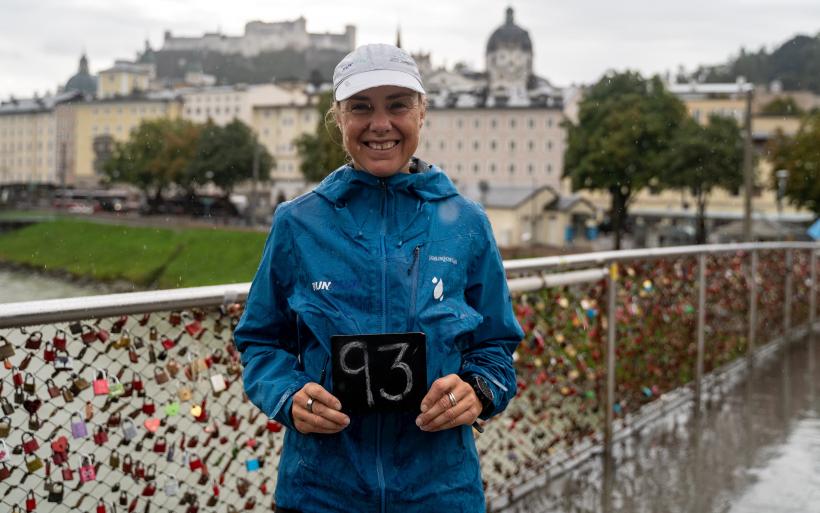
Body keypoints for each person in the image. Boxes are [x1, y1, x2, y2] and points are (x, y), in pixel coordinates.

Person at [234, 43, 524, 513]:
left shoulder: (466, 223)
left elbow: (496, 346)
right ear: (339, 118)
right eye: (361, 108)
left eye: (398, 105)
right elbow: (261, 342)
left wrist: (479, 391)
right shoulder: (298, 223)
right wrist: (289, 396)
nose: (380, 124)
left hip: (440, 492)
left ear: (422, 113)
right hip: (321, 493)